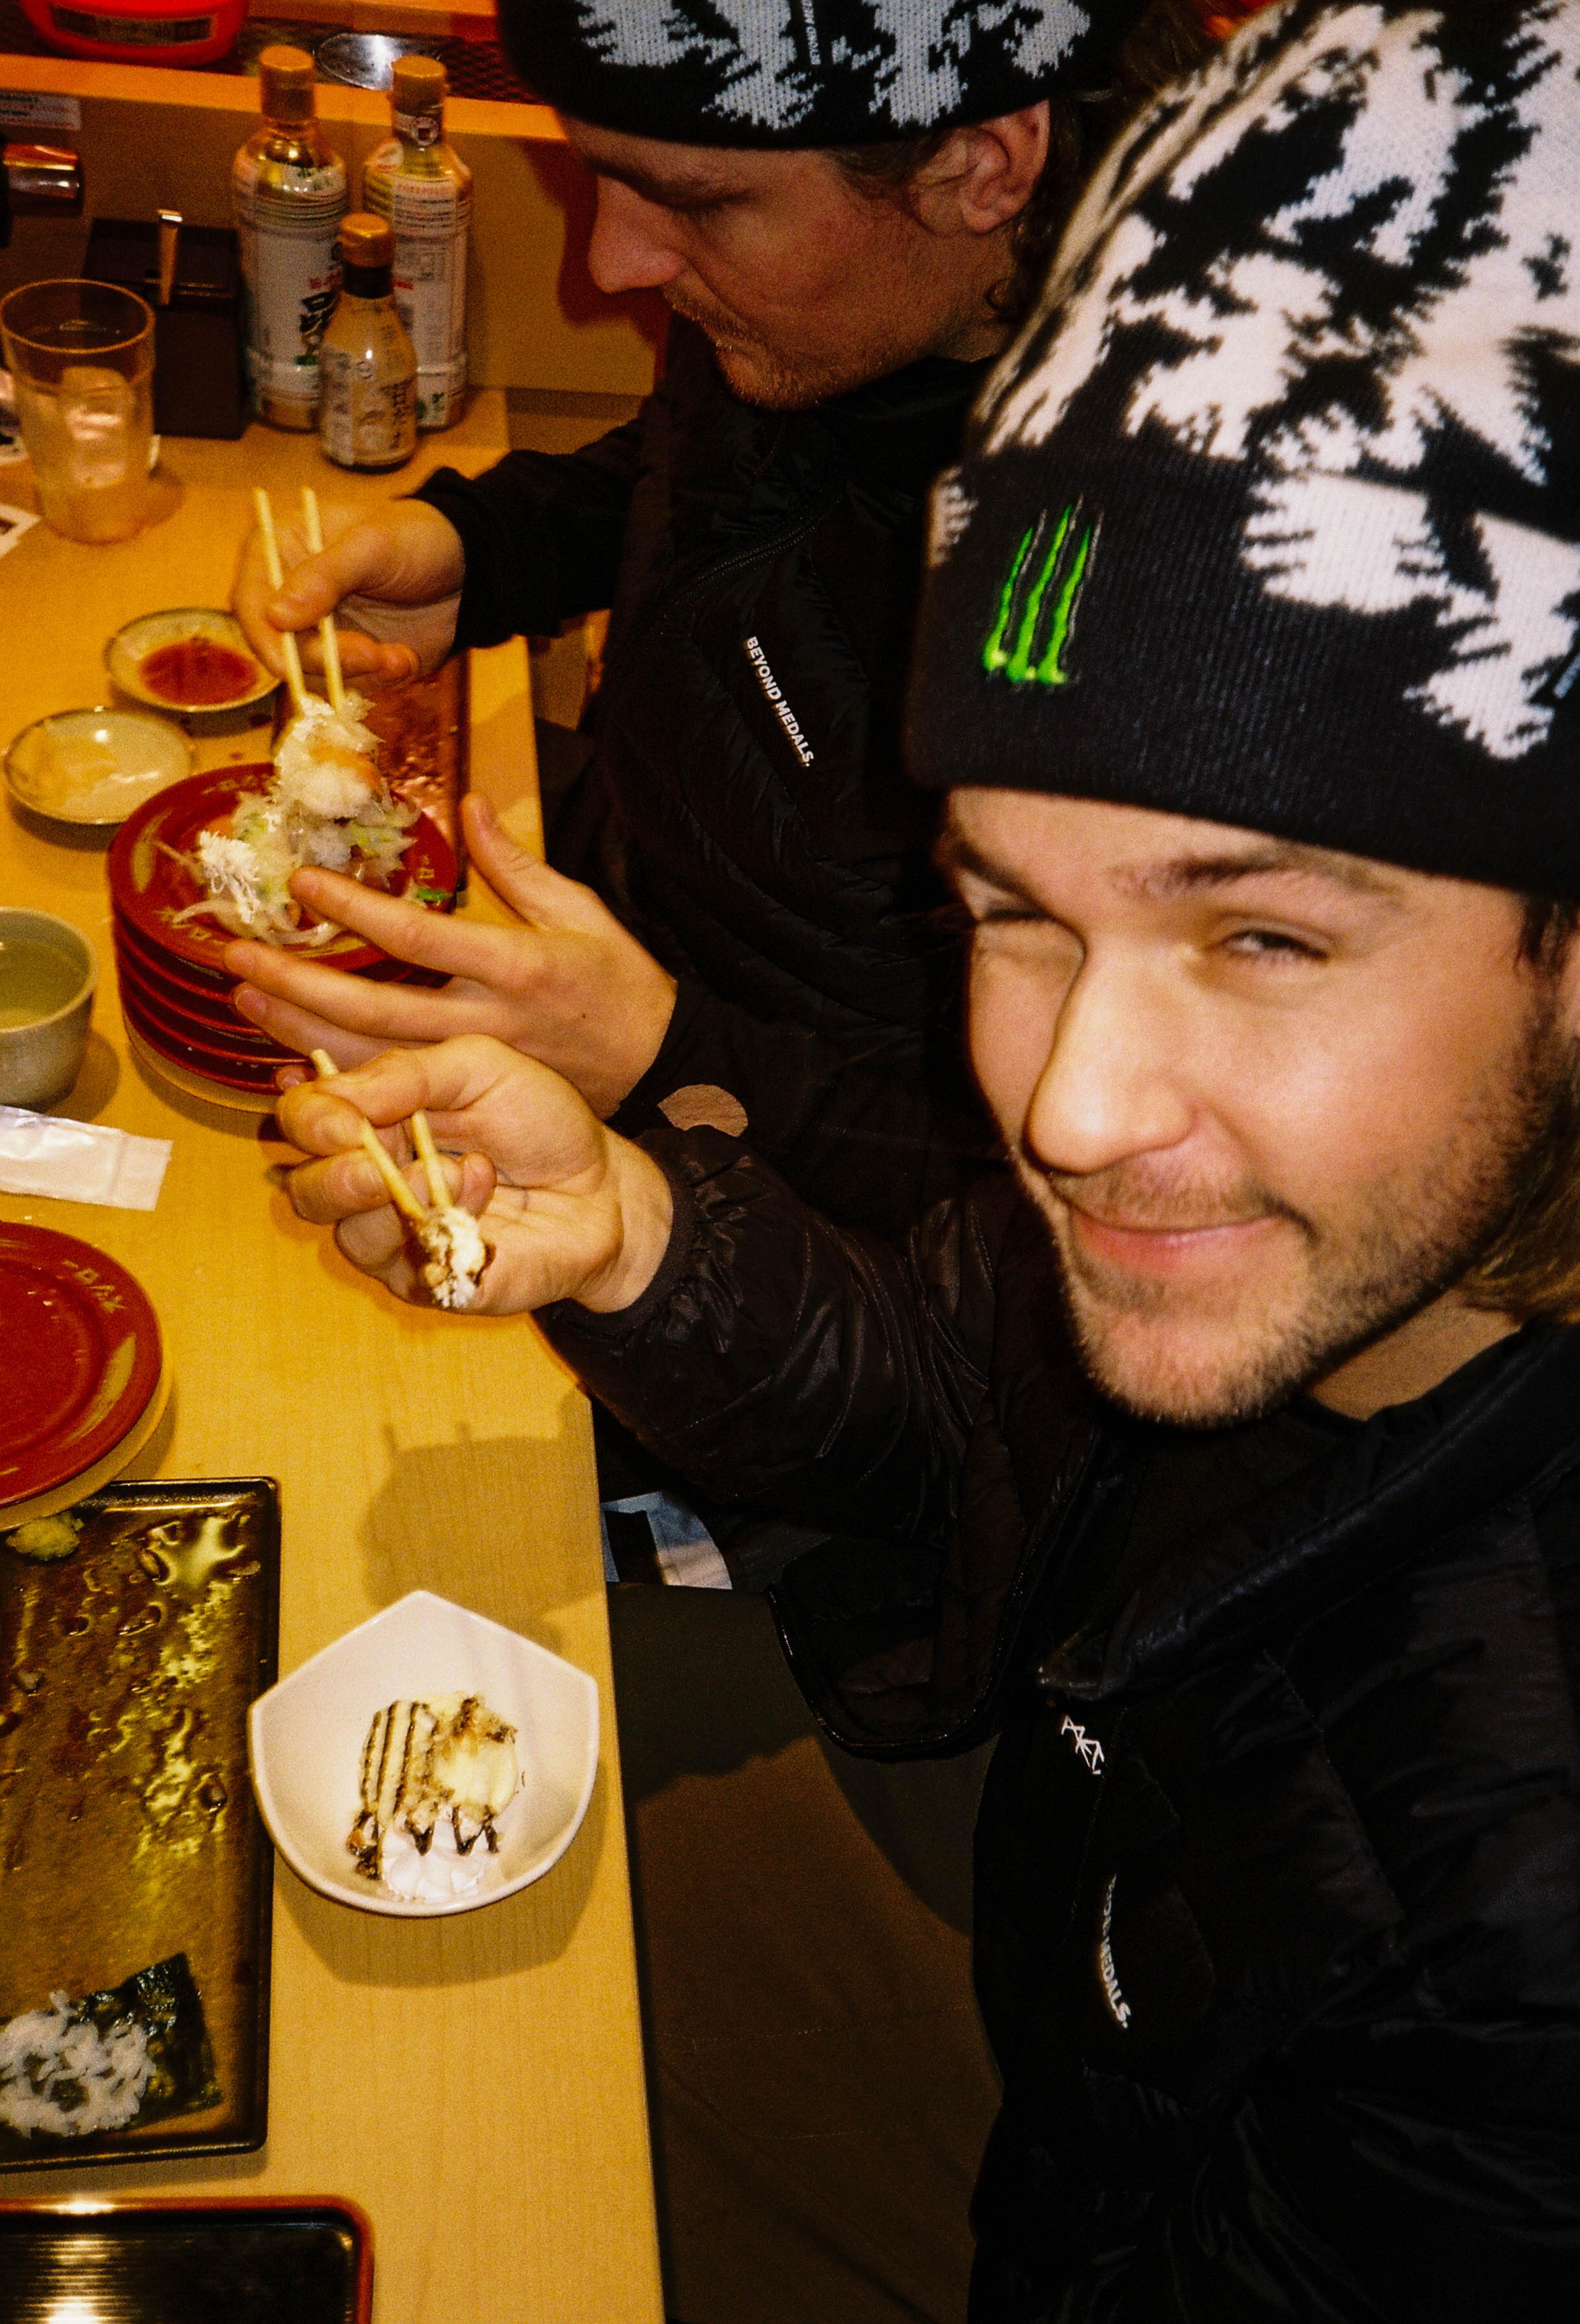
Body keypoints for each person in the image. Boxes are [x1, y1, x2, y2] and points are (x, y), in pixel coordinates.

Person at [277, 3, 1580, 2312]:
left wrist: (685, 1071)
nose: (1066, 1109)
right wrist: (641, 1233)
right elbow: (967, 1399)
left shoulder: (1517, 1939)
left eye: (1263, 933)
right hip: (1041, 1935)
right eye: (1011, 911)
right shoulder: (1328, 1252)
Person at [230, 0, 1217, 1245]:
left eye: (693, 200)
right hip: (608, 947)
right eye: (600, 175)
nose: (610, 266)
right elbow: (726, 490)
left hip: (793, 1247)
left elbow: (1066, 1202)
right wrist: (483, 549)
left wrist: (666, 1056)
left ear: (982, 166)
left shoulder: (1192, 586)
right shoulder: (835, 317)